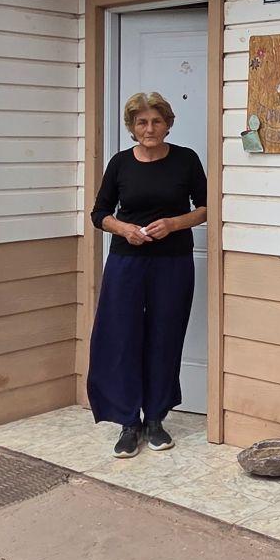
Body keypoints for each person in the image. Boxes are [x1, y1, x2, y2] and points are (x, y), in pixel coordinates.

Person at [87, 91, 208, 457]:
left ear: (168, 124)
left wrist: (173, 223)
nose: (149, 128)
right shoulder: (121, 164)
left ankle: (155, 418)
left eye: (156, 121)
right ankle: (128, 422)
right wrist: (123, 229)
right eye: (142, 122)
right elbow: (99, 213)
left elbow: (205, 208)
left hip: (172, 260)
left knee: (164, 335)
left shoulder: (186, 160)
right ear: (132, 127)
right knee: (121, 336)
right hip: (126, 261)